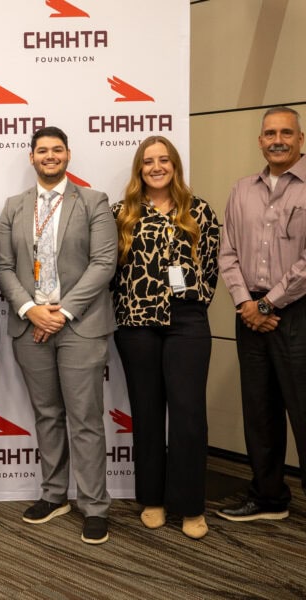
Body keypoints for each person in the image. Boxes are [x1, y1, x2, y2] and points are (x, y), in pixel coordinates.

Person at [0, 126, 117, 545]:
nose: (50, 156)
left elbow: (103, 263)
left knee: (84, 418)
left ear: (68, 155)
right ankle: (53, 494)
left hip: (80, 324)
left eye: (57, 150)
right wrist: (31, 310)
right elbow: (3, 266)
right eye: (42, 151)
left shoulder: (93, 201)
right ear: (31, 157)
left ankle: (94, 505)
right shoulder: (14, 206)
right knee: (47, 414)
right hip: (31, 325)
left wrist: (61, 312)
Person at [111, 136, 220, 539]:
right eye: (148, 161)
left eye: (164, 160)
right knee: (147, 412)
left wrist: (190, 304)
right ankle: (152, 499)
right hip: (136, 324)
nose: (156, 167)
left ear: (174, 165)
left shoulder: (200, 210)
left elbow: (210, 269)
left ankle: (191, 505)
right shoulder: (120, 213)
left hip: (187, 323)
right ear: (139, 168)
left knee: (189, 417)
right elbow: (111, 271)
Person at [217, 106, 306, 522]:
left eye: (286, 132)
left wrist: (268, 304)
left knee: (302, 408)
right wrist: (245, 304)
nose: (278, 139)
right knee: (259, 408)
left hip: (296, 312)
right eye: (270, 132)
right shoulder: (241, 190)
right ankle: (269, 496)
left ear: (300, 138)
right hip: (248, 310)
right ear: (259, 140)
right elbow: (227, 251)